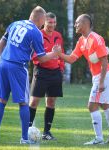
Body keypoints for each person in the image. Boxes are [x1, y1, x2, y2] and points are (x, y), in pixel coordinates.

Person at [0, 6, 61, 144]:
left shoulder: (15, 23)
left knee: (1, 100)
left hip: (3, 64)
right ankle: (24, 138)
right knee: (23, 102)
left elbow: (0, 44)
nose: (44, 23)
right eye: (44, 20)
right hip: (18, 67)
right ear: (41, 19)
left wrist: (3, 60)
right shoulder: (36, 32)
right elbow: (41, 58)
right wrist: (54, 54)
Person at [55, 14, 109, 145]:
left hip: (103, 75)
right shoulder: (81, 41)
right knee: (104, 104)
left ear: (85, 24)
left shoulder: (96, 39)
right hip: (99, 76)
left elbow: (104, 60)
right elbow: (72, 59)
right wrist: (59, 54)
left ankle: (99, 138)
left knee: (91, 105)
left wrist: (101, 81)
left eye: (77, 23)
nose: (75, 25)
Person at [29, 12, 65, 140]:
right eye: (50, 22)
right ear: (44, 22)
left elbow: (61, 54)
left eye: (54, 22)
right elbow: (35, 56)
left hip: (55, 73)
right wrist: (50, 54)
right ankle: (27, 130)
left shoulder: (58, 36)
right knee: (33, 101)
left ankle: (46, 132)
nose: (52, 25)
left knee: (51, 102)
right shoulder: (37, 34)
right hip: (41, 71)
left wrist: (61, 69)